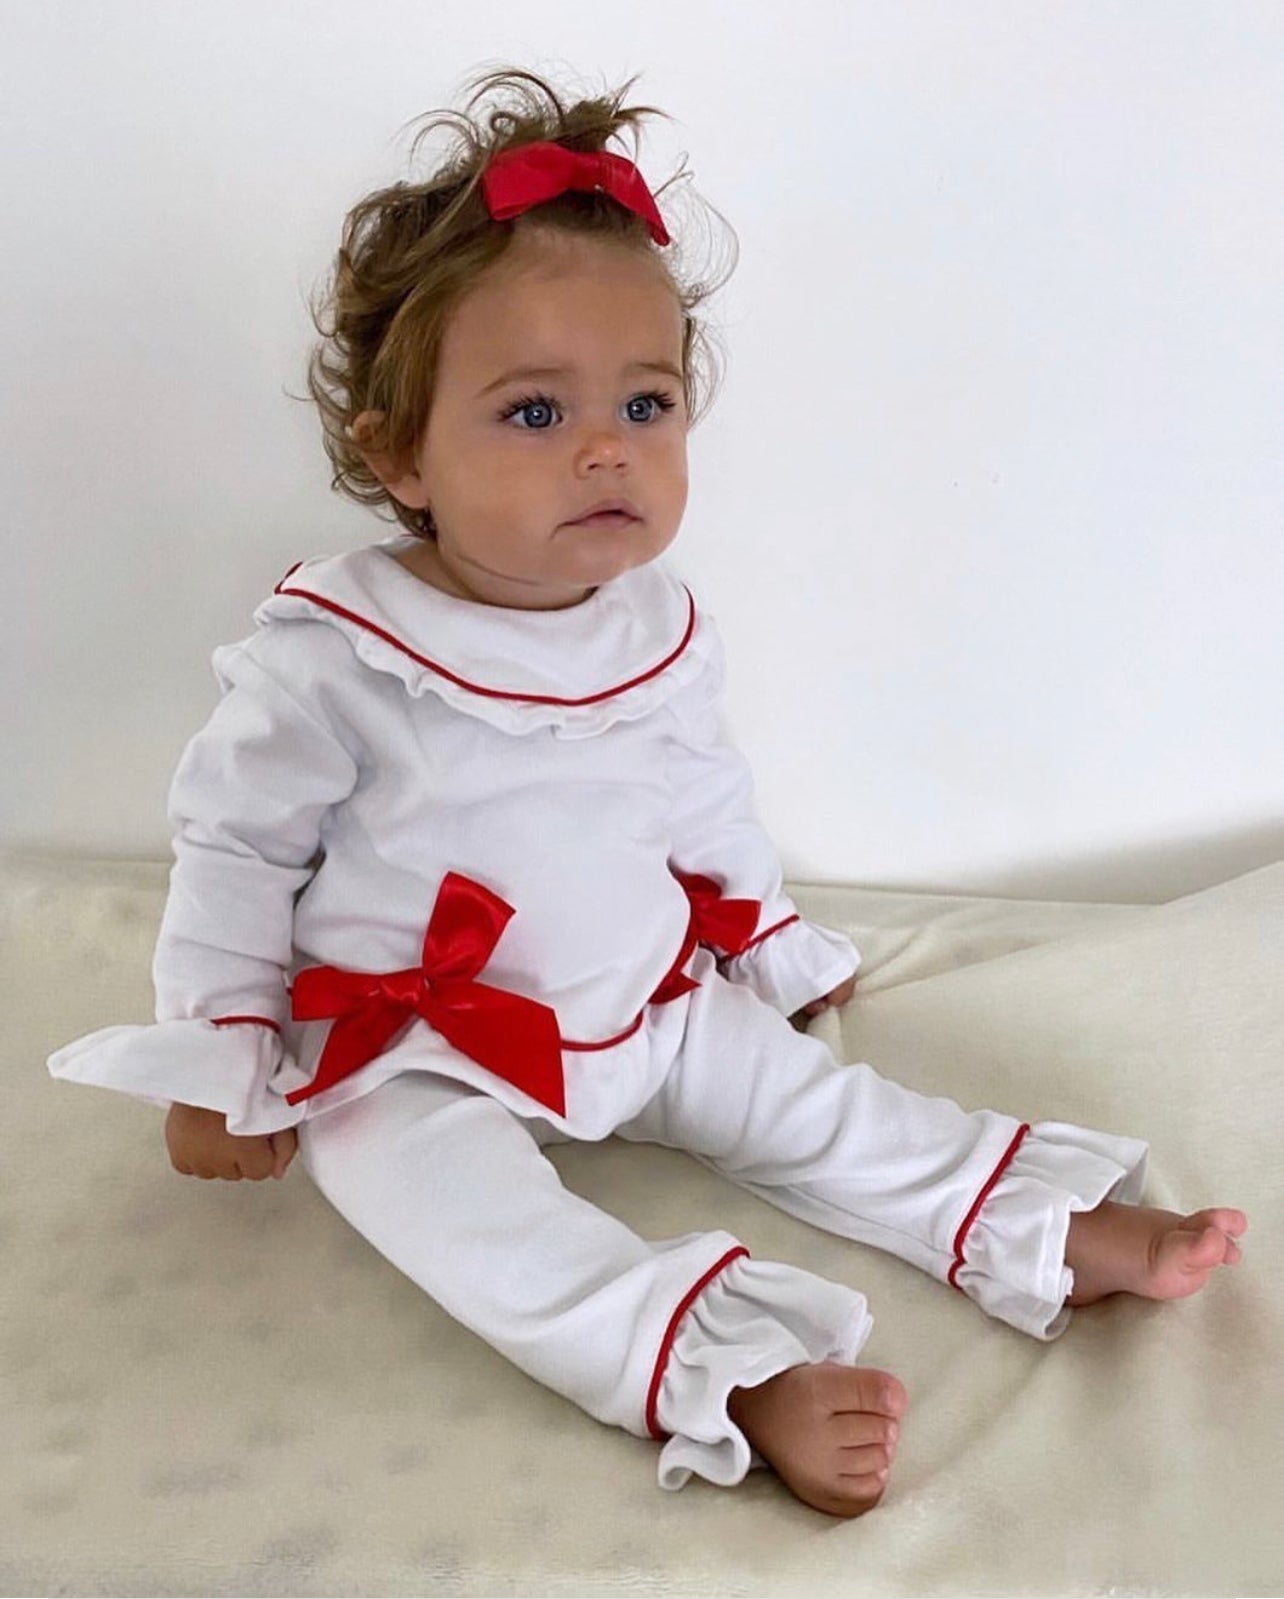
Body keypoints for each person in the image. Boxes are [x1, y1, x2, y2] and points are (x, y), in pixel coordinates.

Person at [48, 66, 1246, 1519]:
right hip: (410, 1045)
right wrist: (223, 1058)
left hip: (637, 997)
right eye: (535, 410)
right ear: (398, 454)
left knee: (808, 1101)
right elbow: (234, 851)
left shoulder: (658, 623)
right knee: (476, 1228)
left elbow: (700, 799)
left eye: (647, 399)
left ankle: (1034, 1219)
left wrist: (760, 945)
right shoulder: (337, 657)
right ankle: (738, 1376)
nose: (608, 445)